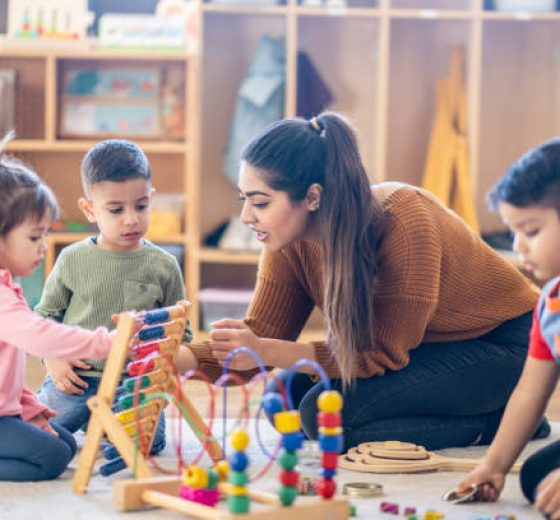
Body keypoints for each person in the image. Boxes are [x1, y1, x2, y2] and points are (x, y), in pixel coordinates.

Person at [179, 111, 548, 451]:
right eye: (244, 199)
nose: (246, 216)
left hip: (506, 347)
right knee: (284, 400)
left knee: (327, 420)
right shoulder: (287, 240)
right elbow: (258, 337)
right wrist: (176, 359)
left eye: (260, 203)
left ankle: (502, 422)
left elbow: (382, 353)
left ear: (312, 197)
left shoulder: (404, 222)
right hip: (426, 346)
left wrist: (269, 351)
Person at [35, 139, 192, 460]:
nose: (131, 219)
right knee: (41, 436)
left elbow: (181, 333)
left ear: (152, 199)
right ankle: (91, 420)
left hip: (132, 386)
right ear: (90, 209)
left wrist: (156, 380)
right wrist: (54, 359)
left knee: (135, 447)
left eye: (141, 206)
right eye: (116, 210)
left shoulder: (164, 265)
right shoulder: (72, 259)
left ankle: (102, 424)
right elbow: (44, 319)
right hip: (75, 381)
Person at [454, 138, 560, 518]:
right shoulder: (550, 302)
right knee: (536, 477)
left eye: (531, 231)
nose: (519, 246)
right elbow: (530, 392)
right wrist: (494, 465)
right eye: (513, 232)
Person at [0, 138, 114, 481]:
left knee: (64, 445)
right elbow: (41, 338)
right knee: (50, 459)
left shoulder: (8, 286)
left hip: (6, 411)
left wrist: (30, 408)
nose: (44, 247)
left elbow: (7, 376)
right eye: (35, 238)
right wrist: (103, 342)